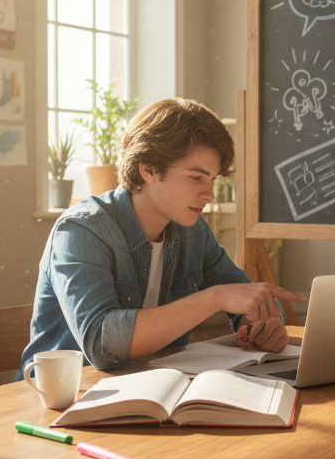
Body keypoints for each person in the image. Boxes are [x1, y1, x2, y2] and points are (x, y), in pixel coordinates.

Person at [19, 98, 305, 377]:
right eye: (196, 177)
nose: (209, 194)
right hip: (61, 404)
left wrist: (262, 325)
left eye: (212, 179)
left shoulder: (193, 231)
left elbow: (246, 297)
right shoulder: (81, 230)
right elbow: (101, 343)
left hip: (152, 391)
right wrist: (216, 298)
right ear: (149, 169)